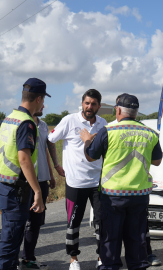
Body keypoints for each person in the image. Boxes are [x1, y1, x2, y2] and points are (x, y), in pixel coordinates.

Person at [80, 93, 162, 270]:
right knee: (137, 239)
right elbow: (157, 161)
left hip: (113, 197)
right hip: (139, 196)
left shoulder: (108, 131)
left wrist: (87, 141)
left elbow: (91, 157)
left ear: (117, 110)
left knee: (110, 239)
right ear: (136, 112)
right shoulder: (150, 133)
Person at [48, 89, 107, 270]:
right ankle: (74, 259)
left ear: (99, 106)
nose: (89, 107)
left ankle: (101, 257)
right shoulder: (69, 121)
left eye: (94, 104)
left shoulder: (103, 123)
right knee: (73, 223)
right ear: (82, 103)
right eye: (87, 103)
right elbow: (50, 139)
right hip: (75, 182)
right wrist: (57, 165)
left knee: (101, 222)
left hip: (97, 182)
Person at [0, 78, 48, 270]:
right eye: (43, 100)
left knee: (8, 236)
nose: (44, 104)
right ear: (38, 99)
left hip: (5, 185)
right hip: (17, 191)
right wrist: (37, 191)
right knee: (11, 241)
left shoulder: (9, 118)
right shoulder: (27, 123)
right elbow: (24, 159)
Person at [20, 105, 62, 270]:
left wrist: (51, 174)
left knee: (35, 222)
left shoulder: (43, 125)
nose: (44, 106)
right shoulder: (23, 123)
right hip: (24, 182)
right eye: (41, 101)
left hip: (42, 180)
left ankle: (28, 259)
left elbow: (44, 150)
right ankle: (10, 260)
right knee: (18, 222)